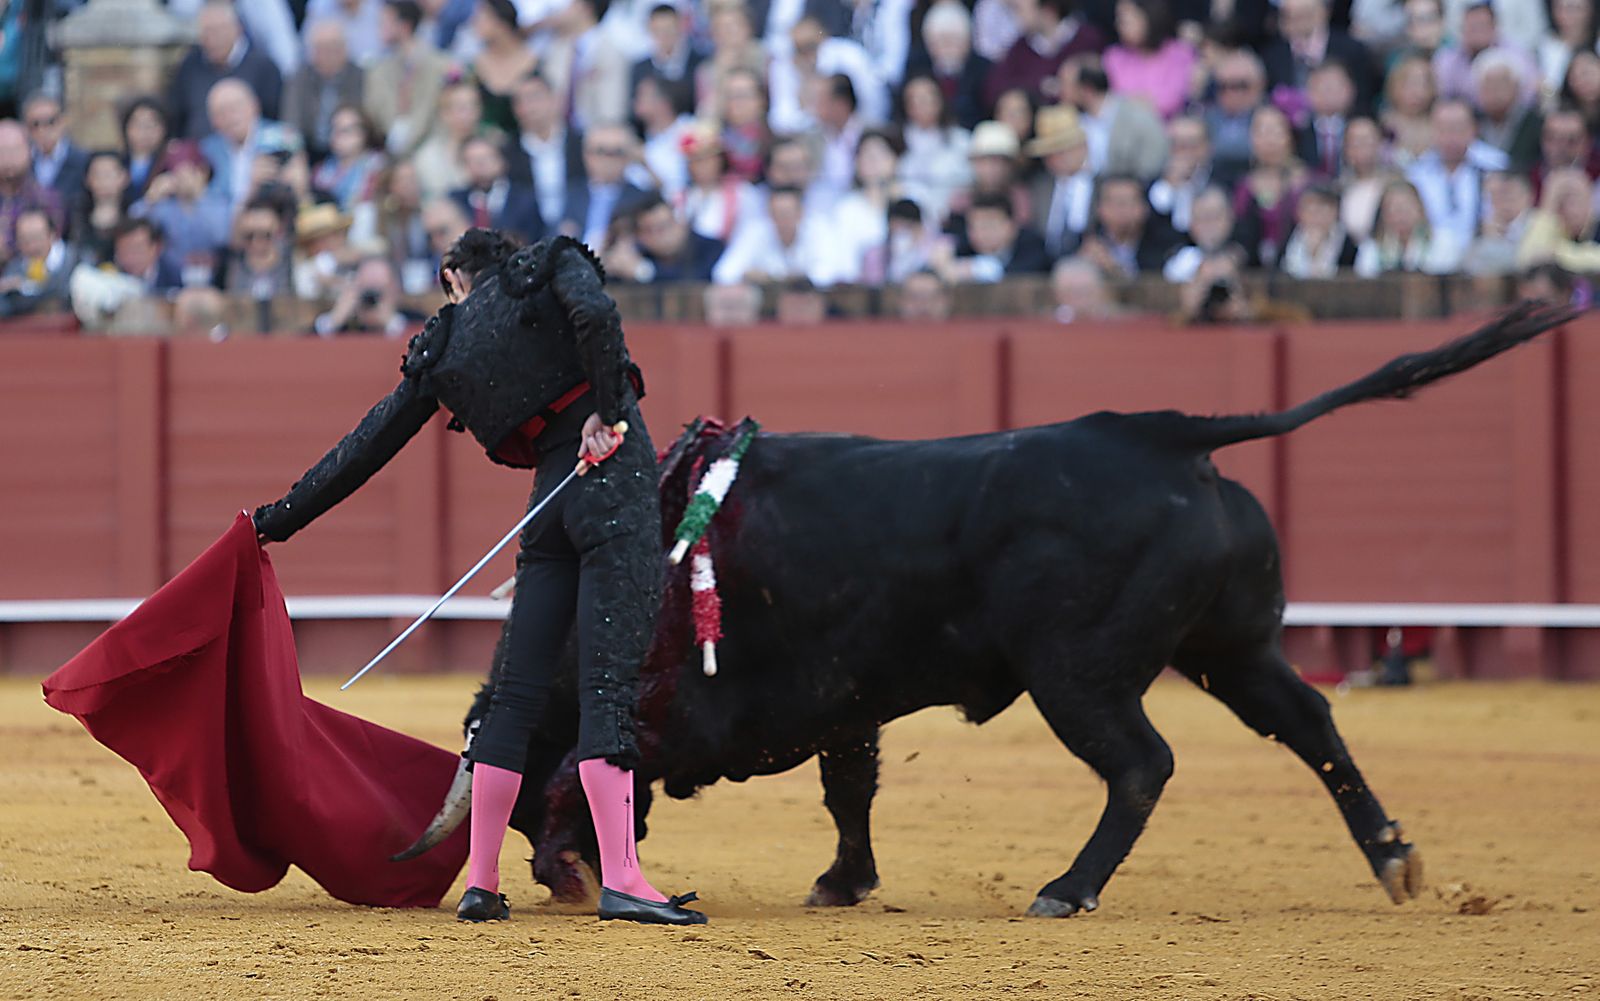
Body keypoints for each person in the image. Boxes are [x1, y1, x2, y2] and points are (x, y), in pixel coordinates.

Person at [252, 229, 707, 925]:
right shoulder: (552, 263)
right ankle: (621, 878)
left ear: (453, 277)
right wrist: (608, 409)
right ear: (505, 261)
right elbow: (600, 317)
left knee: (514, 695)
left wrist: (276, 519)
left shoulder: (446, 338)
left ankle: (483, 879)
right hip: (612, 480)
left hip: (549, 504)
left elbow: (367, 444)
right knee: (607, 685)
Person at [168, 1, 285, 139]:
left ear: (238, 29)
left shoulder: (263, 66)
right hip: (197, 153)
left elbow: (274, 120)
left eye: (218, 31)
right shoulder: (190, 65)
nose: (212, 39)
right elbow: (178, 116)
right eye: (206, 32)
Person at [364, 0, 454, 158]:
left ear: (404, 26)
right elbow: (375, 114)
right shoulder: (378, 70)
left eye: (385, 22)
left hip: (433, 148)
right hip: (389, 150)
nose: (379, 28)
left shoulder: (441, 65)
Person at [284, 20, 367, 163]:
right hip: (309, 148)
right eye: (319, 49)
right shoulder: (300, 77)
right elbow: (292, 120)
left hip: (349, 149)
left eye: (331, 49)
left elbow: (362, 120)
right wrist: (296, 154)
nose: (325, 55)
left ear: (344, 50)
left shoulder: (359, 77)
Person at [1103, 0, 1196, 119]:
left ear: (1148, 18)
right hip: (1125, 130)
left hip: (1171, 130)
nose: (1117, 25)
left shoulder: (1180, 53)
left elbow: (1173, 101)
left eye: (1124, 21)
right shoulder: (1113, 57)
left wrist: (1134, 103)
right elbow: (1109, 102)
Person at [0, 208, 77, 316]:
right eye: (24, 240)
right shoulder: (16, 267)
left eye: (36, 238)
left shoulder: (74, 259)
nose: (32, 247)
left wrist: (24, 289)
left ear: (52, 235)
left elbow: (65, 297)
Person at [1279, 182, 1359, 277]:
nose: (1316, 216)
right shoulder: (1289, 240)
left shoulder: (1348, 245)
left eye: (1323, 208)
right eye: (1310, 209)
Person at [23, 93, 90, 204]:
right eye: (35, 124)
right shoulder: (24, 161)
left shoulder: (82, 160)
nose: (42, 130)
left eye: (50, 122)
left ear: (63, 122)